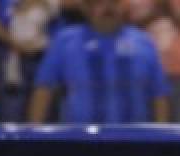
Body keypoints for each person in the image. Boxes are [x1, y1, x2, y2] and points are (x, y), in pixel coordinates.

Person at [27, 0, 170, 124]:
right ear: (85, 7)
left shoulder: (144, 42)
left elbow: (159, 94)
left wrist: (161, 140)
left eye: (114, 1)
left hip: (134, 142)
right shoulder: (65, 41)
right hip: (79, 142)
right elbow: (44, 89)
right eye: (98, 1)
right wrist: (33, 137)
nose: (107, 7)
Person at [126, 0, 180, 122]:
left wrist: (170, 12)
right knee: (139, 127)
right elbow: (112, 27)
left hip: (179, 72)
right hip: (138, 73)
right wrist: (152, 15)